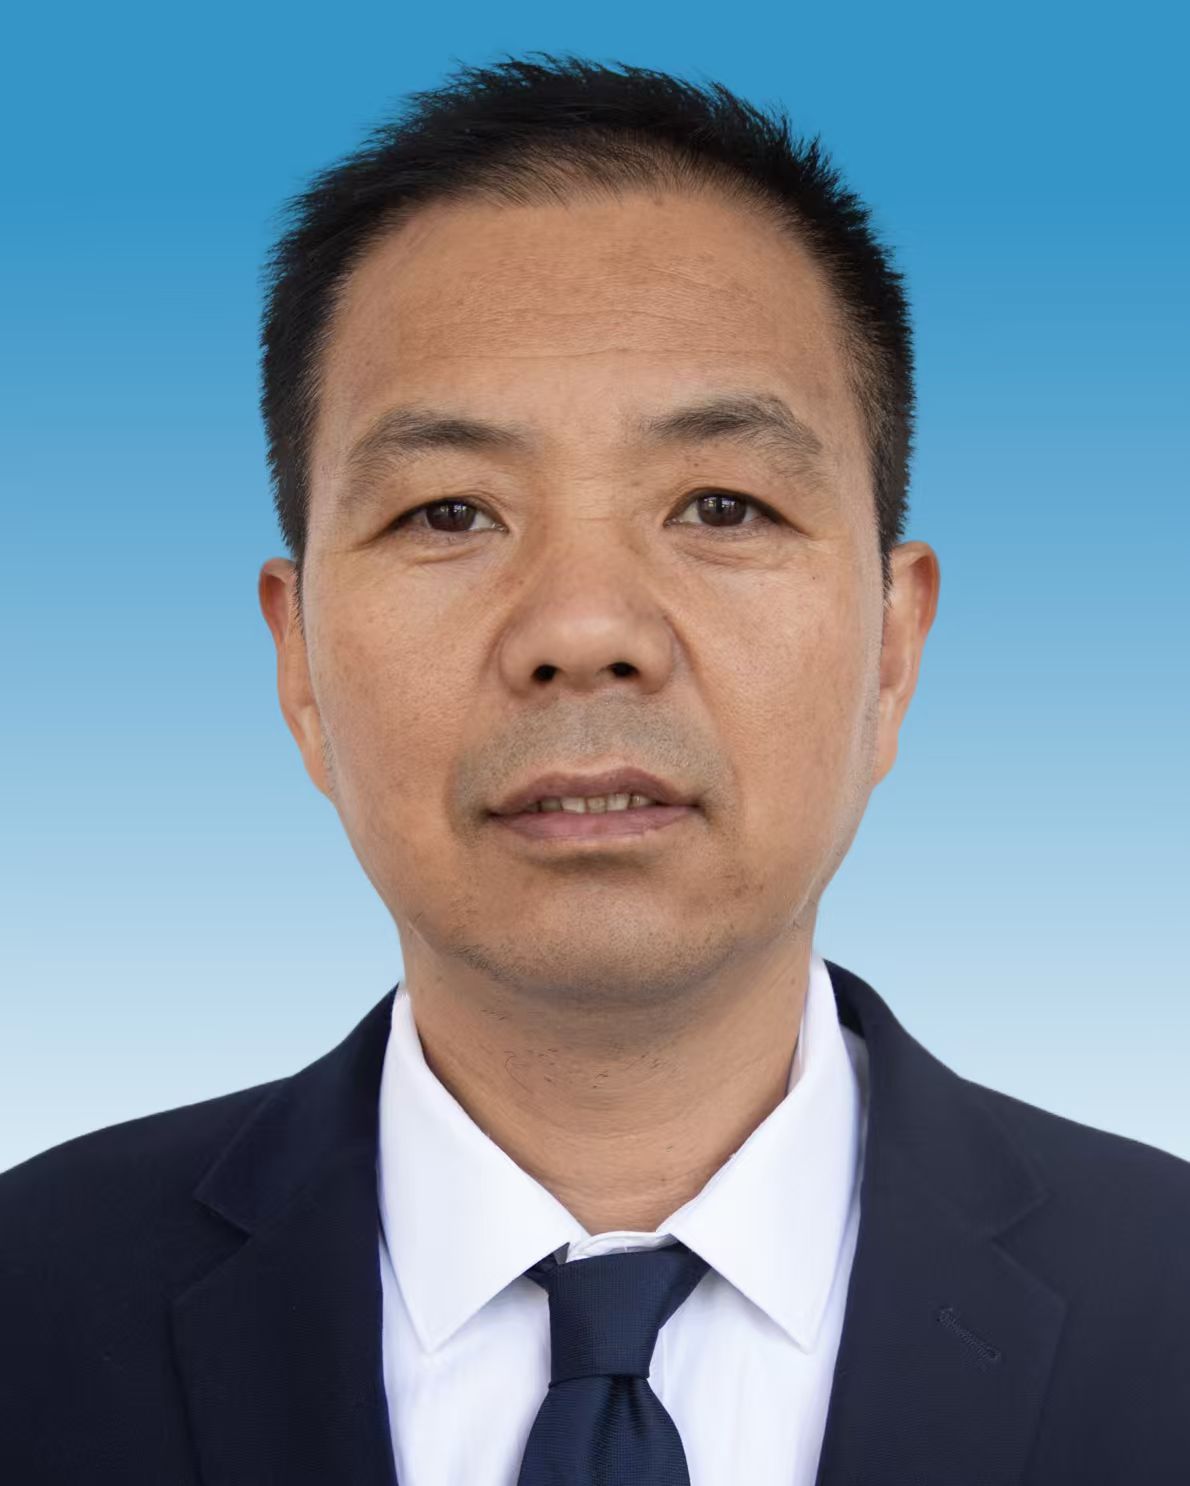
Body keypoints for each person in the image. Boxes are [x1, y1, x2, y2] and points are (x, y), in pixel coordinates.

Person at [1, 53, 1186, 1486]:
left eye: (721, 505)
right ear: (298, 662)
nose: (582, 630)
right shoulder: (31, 1303)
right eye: (450, 512)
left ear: (892, 649)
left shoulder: (1164, 1298)